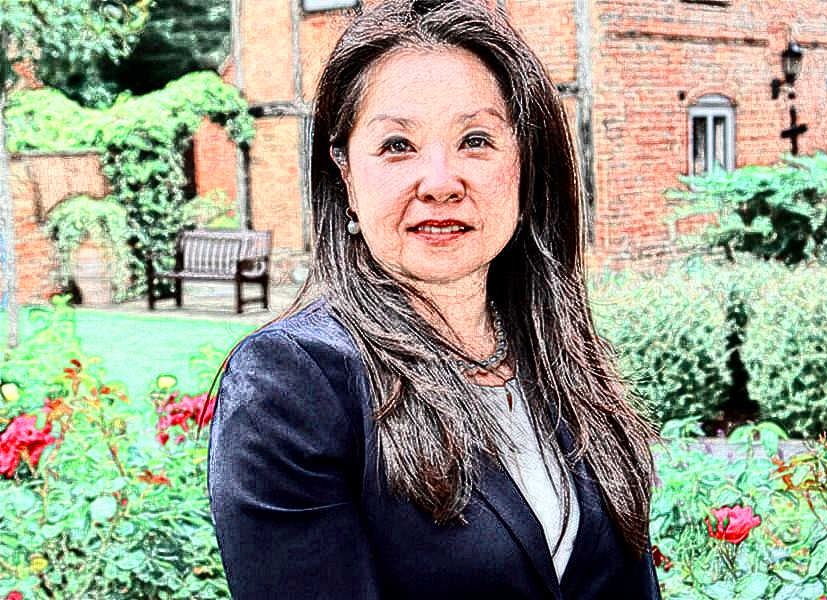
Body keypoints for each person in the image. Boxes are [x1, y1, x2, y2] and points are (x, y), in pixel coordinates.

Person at [205, 0, 662, 598]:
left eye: (476, 140)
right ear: (345, 174)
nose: (441, 182)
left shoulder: (557, 353)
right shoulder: (291, 384)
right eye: (398, 145)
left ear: (523, 163)